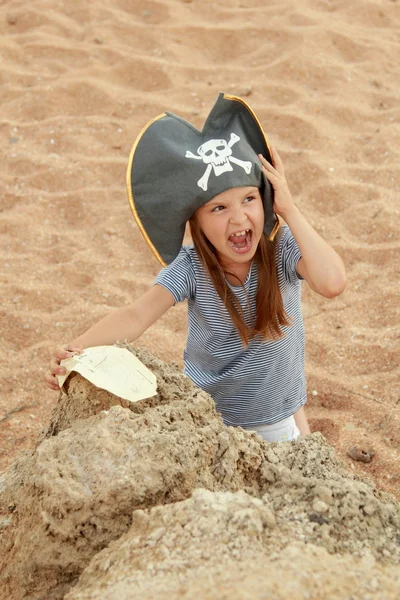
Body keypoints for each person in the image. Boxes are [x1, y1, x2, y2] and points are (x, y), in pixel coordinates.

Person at [45, 93, 346, 443]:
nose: (238, 217)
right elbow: (135, 315)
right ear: (197, 221)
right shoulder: (191, 267)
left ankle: (299, 428)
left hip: (274, 414)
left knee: (295, 443)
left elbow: (332, 282)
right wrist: (74, 350)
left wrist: (290, 210)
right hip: (210, 419)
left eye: (249, 199)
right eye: (218, 208)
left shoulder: (281, 247)